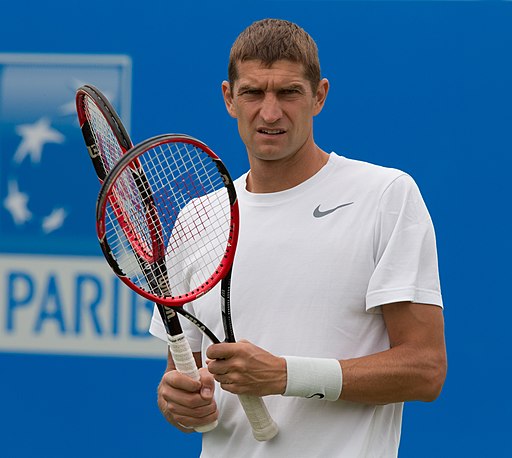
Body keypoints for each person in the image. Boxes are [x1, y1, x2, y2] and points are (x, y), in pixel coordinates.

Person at [150, 18, 447, 457]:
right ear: (229, 98)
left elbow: (425, 369)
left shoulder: (385, 196)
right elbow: (184, 384)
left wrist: (286, 375)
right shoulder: (200, 217)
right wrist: (179, 403)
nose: (270, 113)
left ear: (319, 96)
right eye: (252, 92)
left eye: (288, 92)